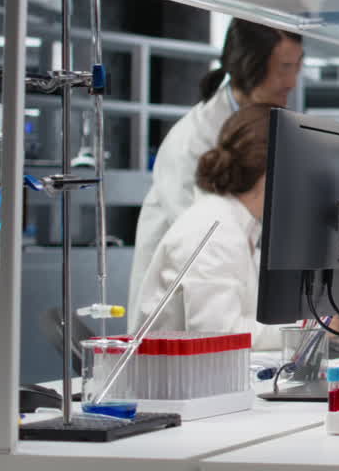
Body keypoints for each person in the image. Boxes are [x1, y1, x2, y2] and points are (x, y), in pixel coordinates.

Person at [127, 20, 302, 325]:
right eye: (285, 67)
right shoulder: (189, 143)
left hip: (227, 316)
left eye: (297, 66)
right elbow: (207, 250)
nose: (292, 82)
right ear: (250, 66)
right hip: (181, 327)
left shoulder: (259, 124)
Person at [134, 103, 283, 349]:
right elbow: (220, 335)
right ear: (271, 167)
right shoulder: (215, 230)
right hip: (177, 383)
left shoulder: (238, 224)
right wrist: (304, 331)